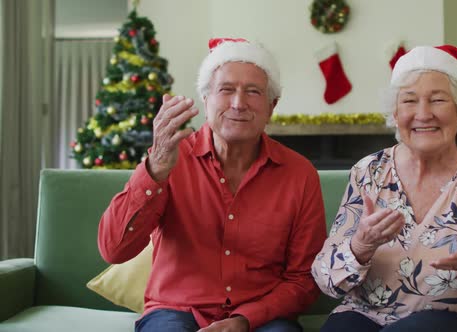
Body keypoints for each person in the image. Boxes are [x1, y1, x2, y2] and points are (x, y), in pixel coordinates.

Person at [98, 38, 327, 332]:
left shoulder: (300, 174)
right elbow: (114, 250)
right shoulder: (170, 159)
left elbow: (304, 279)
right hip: (175, 310)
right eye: (226, 89)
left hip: (261, 316)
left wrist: (244, 321)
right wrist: (154, 170)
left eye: (253, 92)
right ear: (206, 99)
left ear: (271, 107)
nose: (239, 103)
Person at [311, 45, 457, 332]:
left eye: (437, 100)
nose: (423, 114)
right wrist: (360, 245)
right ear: (395, 115)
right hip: (366, 315)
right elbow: (324, 277)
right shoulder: (368, 171)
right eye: (409, 101)